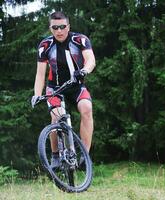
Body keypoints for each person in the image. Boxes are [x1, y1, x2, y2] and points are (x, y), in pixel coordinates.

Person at [31, 11, 95, 168]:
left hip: (76, 85)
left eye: (62, 27)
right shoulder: (45, 45)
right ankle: (55, 156)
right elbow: (40, 74)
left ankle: (85, 156)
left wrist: (84, 71)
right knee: (56, 117)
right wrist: (37, 95)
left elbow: (90, 60)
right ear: (50, 28)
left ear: (68, 26)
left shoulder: (79, 40)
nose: (59, 31)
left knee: (86, 109)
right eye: (55, 27)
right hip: (55, 88)